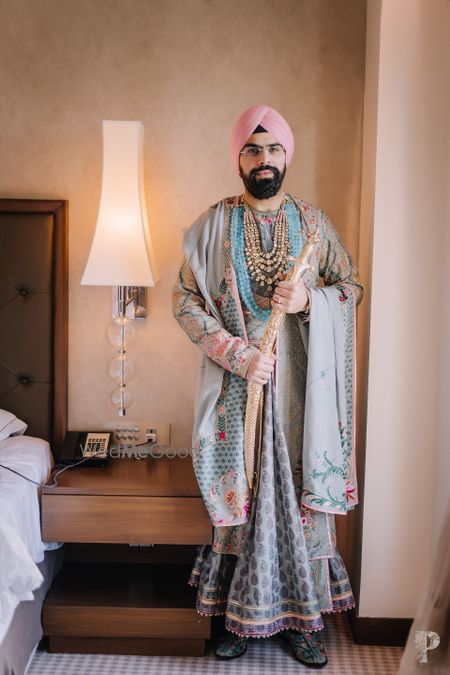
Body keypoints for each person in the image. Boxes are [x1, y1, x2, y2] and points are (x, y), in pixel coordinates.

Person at [172, 105, 363, 668]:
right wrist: (239, 355)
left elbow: (350, 286)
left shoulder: (315, 224)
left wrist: (310, 301)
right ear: (238, 158)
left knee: (300, 506)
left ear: (287, 156)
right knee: (245, 505)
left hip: (302, 393)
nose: (264, 160)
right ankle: (239, 619)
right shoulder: (210, 225)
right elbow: (184, 301)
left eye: (273, 149)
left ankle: (304, 623)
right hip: (240, 393)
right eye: (253, 149)